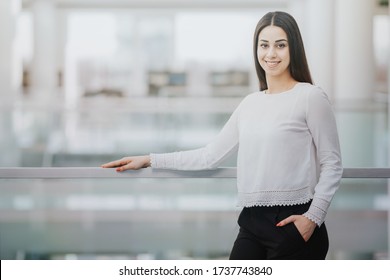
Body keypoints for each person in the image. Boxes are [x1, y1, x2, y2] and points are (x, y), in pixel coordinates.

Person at [102, 11, 343, 260]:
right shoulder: (250, 103)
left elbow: (332, 164)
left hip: (296, 221)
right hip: (251, 222)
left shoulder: (310, 97)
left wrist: (313, 218)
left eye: (280, 45)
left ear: (294, 48)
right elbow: (210, 155)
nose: (271, 54)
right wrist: (150, 159)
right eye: (264, 45)